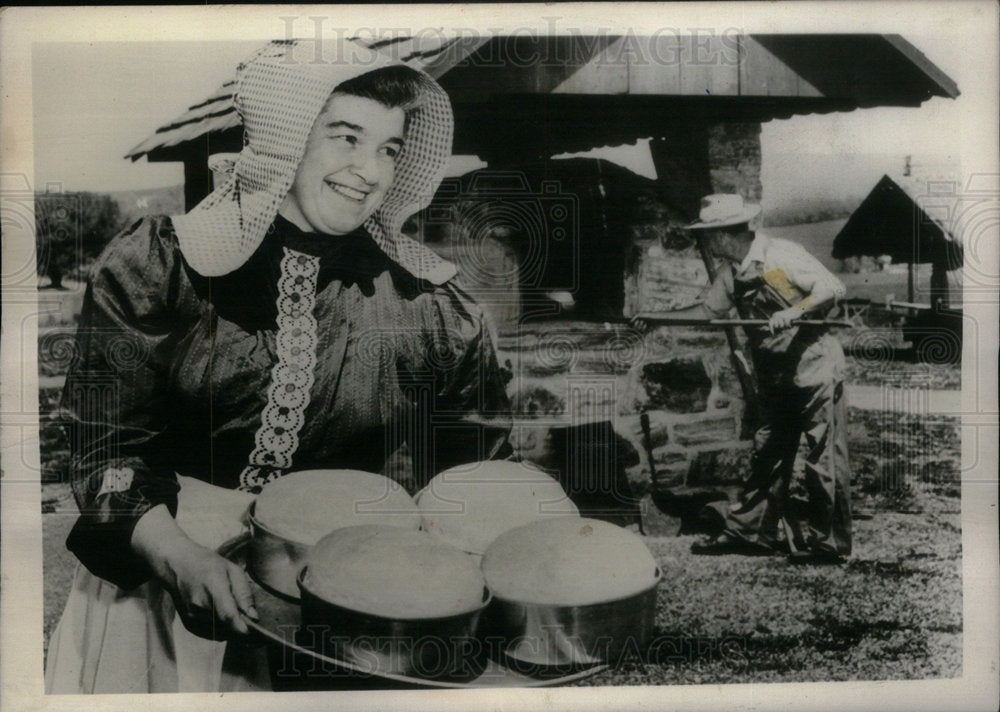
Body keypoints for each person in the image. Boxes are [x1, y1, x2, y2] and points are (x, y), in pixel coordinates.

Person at [45, 39, 511, 693]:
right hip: (168, 586)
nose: (370, 171)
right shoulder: (163, 267)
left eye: (389, 148)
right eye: (346, 137)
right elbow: (106, 450)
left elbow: (470, 467)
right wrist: (181, 560)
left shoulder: (432, 304)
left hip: (347, 607)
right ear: (284, 137)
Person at [652, 194, 851, 565]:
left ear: (729, 234)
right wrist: (655, 316)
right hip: (775, 372)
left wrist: (795, 311)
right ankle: (750, 533)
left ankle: (828, 543)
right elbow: (708, 311)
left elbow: (832, 288)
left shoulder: (779, 256)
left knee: (823, 454)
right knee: (769, 450)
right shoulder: (733, 274)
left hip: (814, 362)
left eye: (710, 235)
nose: (707, 243)